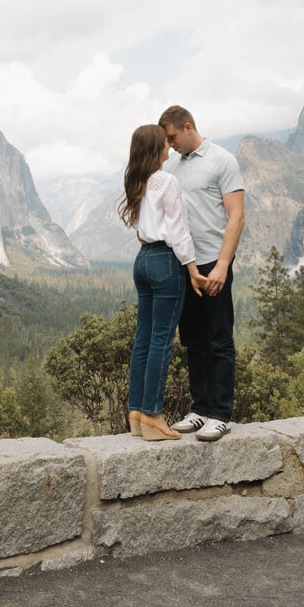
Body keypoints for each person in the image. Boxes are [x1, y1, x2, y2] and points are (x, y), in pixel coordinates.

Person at [158, 106, 245, 442]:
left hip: (213, 263)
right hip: (185, 265)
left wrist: (223, 264)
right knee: (193, 340)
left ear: (188, 127)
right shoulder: (174, 167)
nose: (169, 145)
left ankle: (220, 414)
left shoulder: (222, 161)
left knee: (219, 339)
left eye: (172, 137)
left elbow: (236, 218)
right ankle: (200, 409)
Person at [119, 123, 207, 441]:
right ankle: (154, 415)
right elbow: (178, 231)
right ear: (156, 149)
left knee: (143, 338)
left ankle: (137, 411)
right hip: (165, 262)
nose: (169, 148)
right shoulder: (166, 181)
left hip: (142, 260)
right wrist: (194, 269)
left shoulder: (137, 181)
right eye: (165, 145)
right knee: (161, 340)